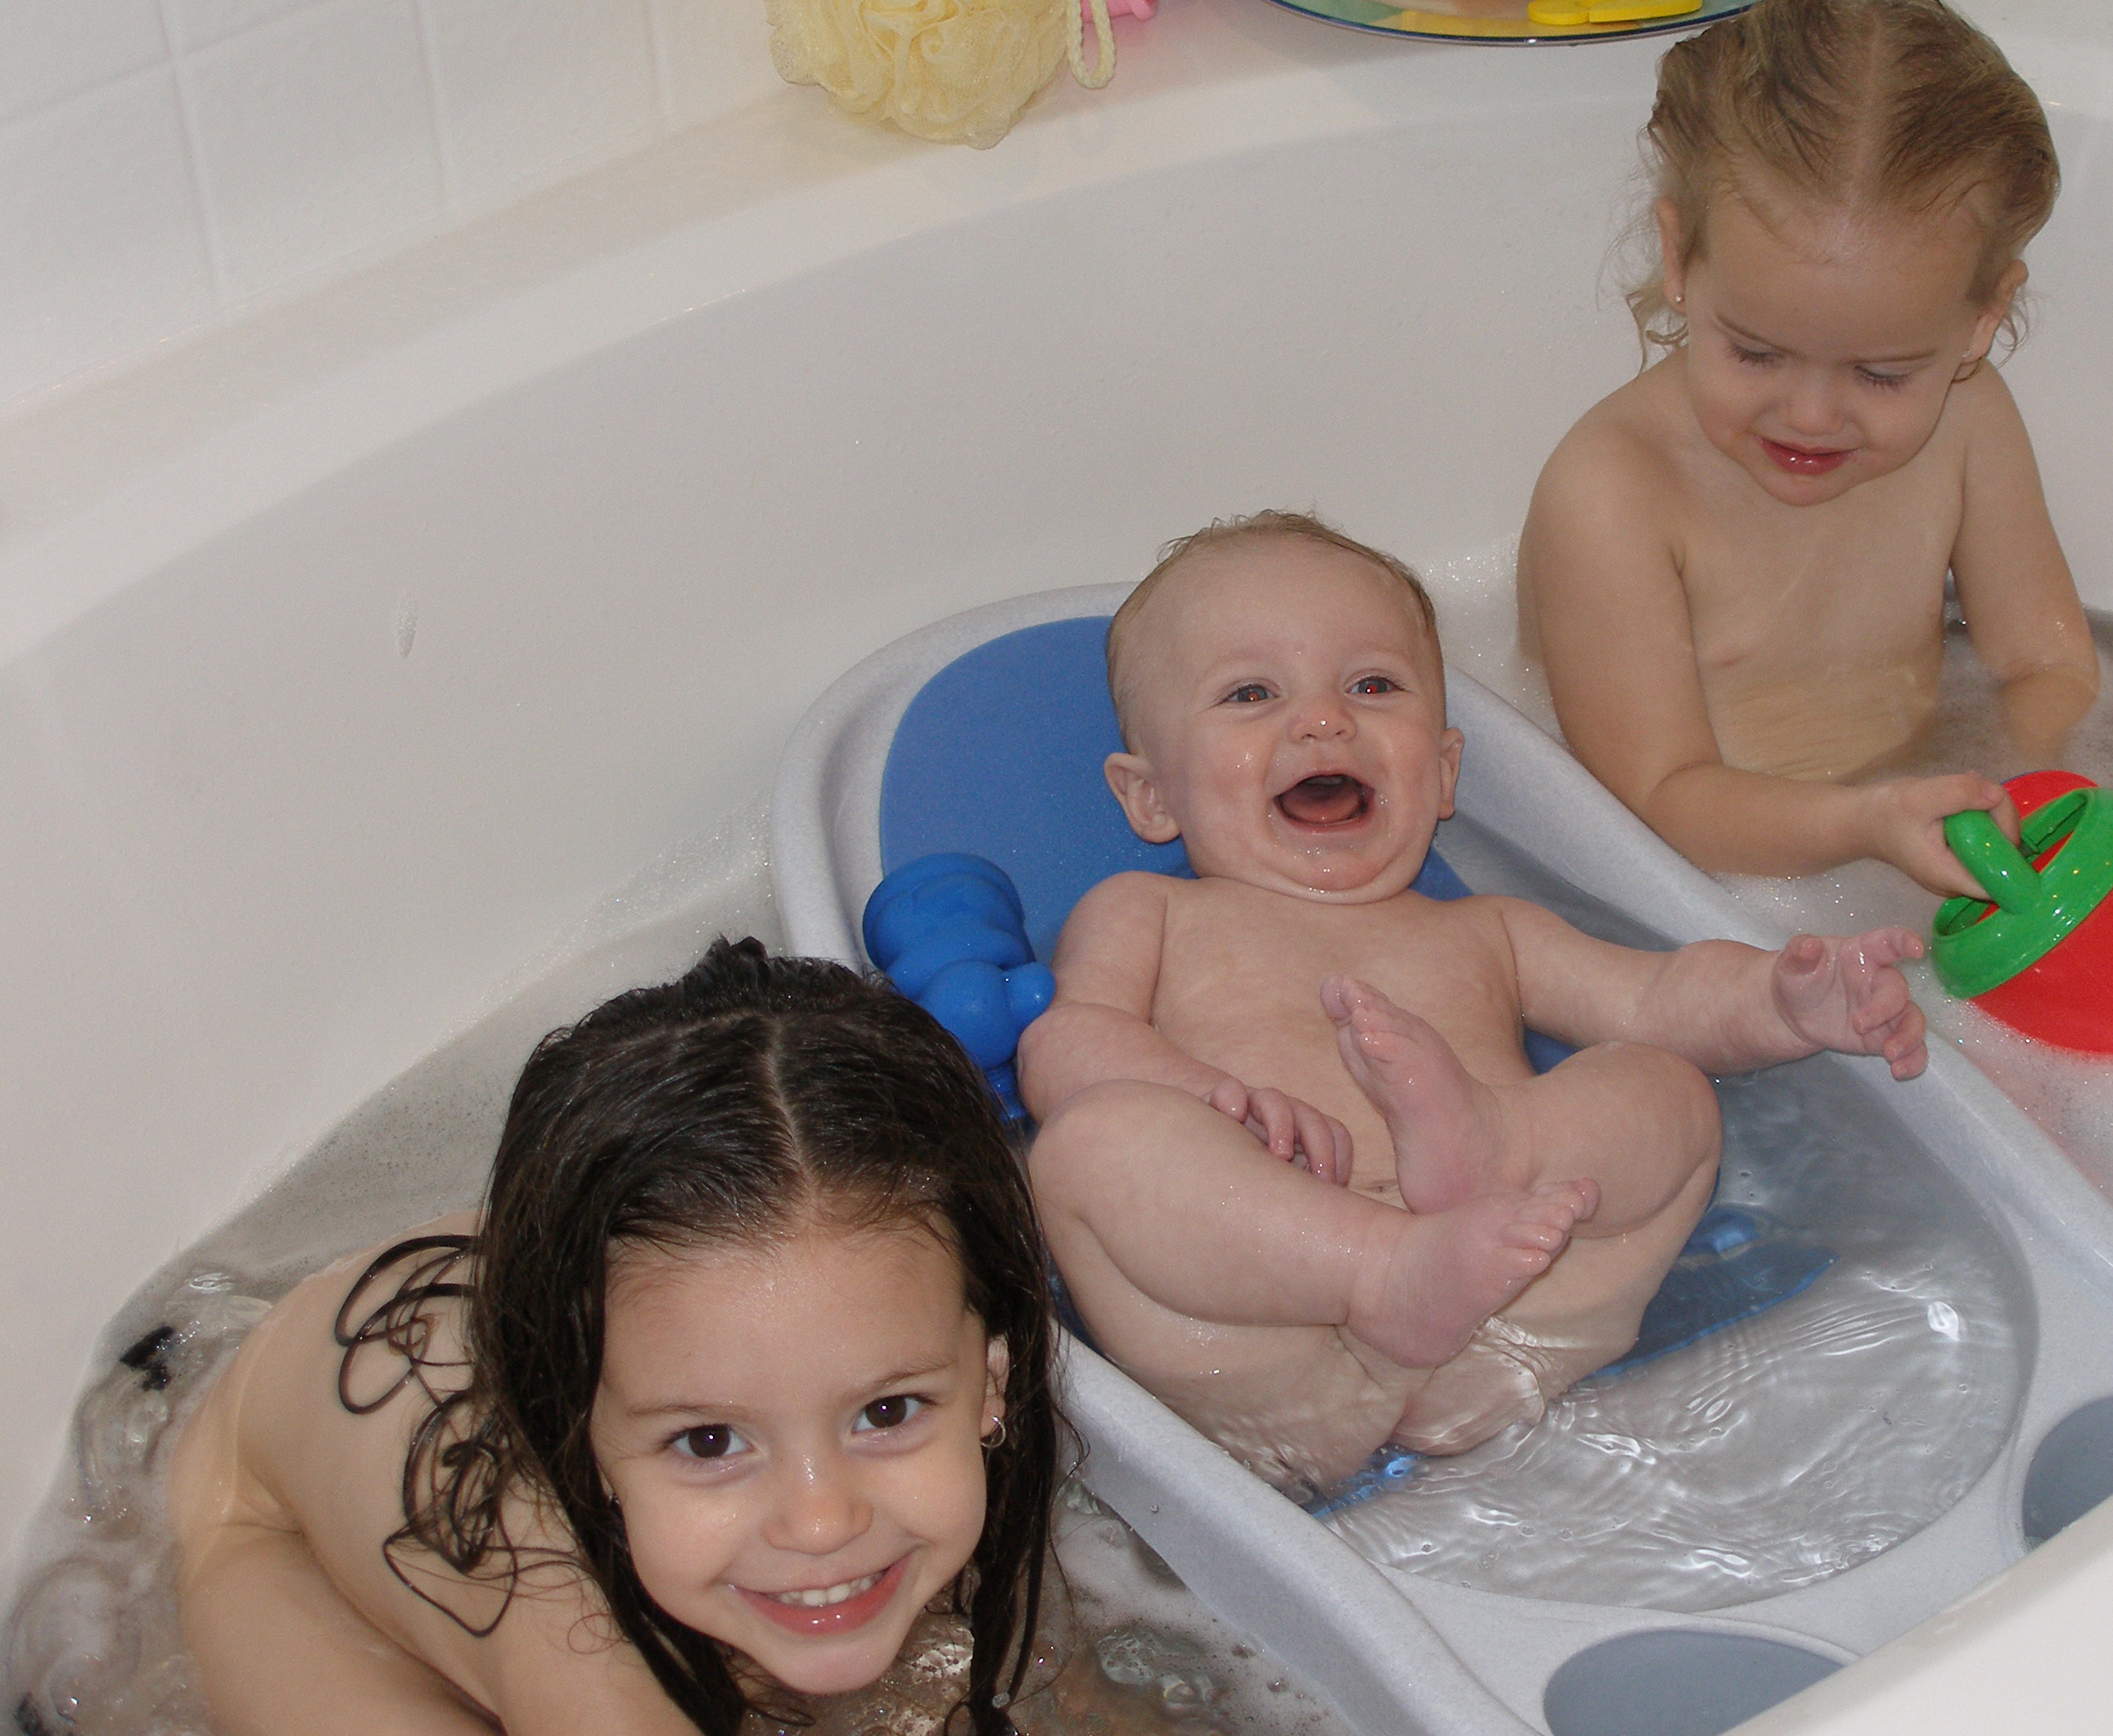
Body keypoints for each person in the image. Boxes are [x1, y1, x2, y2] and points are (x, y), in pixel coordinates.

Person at [1016, 512, 1927, 1495]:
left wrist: (1781, 1002)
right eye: (1251, 694)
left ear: (1443, 772)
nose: (1324, 719)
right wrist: (1204, 1096)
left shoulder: (1488, 929)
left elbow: (1656, 997)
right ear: (1150, 798)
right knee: (1087, 1147)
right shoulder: (1147, 910)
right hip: (1269, 1338)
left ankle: (1495, 1149)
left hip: (1520, 1301)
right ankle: (1381, 1270)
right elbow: (1069, 1044)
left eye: (1372, 686)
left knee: (1663, 1087)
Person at [1518, 0, 2113, 951]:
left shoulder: (1969, 420)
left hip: (1915, 847)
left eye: (1884, 373)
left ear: (1979, 322)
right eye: (1756, 352)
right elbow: (1657, 800)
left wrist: (1997, 800)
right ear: (1681, 259)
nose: (1812, 415)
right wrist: (1868, 828)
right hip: (1722, 898)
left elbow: (2047, 659)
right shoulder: (1616, 493)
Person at [166, 940, 1059, 1736]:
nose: (822, 1520)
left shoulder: (681, 1300)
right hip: (255, 1516)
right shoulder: (591, 1678)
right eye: (709, 1440)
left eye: (887, 1410)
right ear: (572, 1433)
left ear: (990, 1383)